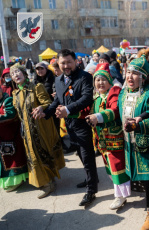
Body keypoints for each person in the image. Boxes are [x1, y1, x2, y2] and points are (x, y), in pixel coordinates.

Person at [37, 49, 99, 206]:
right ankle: (91, 178)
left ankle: (91, 190)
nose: (66, 65)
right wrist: (45, 112)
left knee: (87, 155)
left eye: (69, 62)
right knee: (79, 153)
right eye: (62, 63)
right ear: (58, 63)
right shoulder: (58, 80)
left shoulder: (84, 77)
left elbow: (86, 98)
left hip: (82, 122)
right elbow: (57, 100)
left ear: (76, 61)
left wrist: (69, 109)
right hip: (69, 125)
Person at [118, 52, 149, 230]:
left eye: (136, 73)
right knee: (142, 182)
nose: (130, 76)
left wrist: (139, 125)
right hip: (130, 146)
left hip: (148, 148)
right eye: (129, 72)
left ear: (144, 78)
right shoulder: (123, 94)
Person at [11, 64, 65, 199]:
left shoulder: (36, 87)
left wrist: (41, 107)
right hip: (26, 132)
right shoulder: (15, 93)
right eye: (13, 74)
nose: (16, 75)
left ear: (24, 73)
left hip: (40, 129)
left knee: (42, 154)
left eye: (18, 72)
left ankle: (49, 184)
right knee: (33, 157)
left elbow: (47, 101)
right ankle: (46, 182)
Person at [86, 63, 131, 210]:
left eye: (103, 80)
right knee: (110, 167)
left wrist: (97, 116)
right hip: (103, 141)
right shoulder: (98, 98)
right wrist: (69, 111)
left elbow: (115, 110)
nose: (100, 83)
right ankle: (122, 192)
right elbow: (87, 111)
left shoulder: (115, 91)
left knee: (117, 166)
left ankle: (121, 196)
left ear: (109, 80)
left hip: (115, 138)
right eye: (97, 80)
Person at [0, 86, 28, 192]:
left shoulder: (7, 100)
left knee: (14, 160)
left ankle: (17, 180)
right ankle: (7, 182)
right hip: (2, 138)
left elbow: (10, 115)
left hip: (11, 137)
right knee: (3, 162)